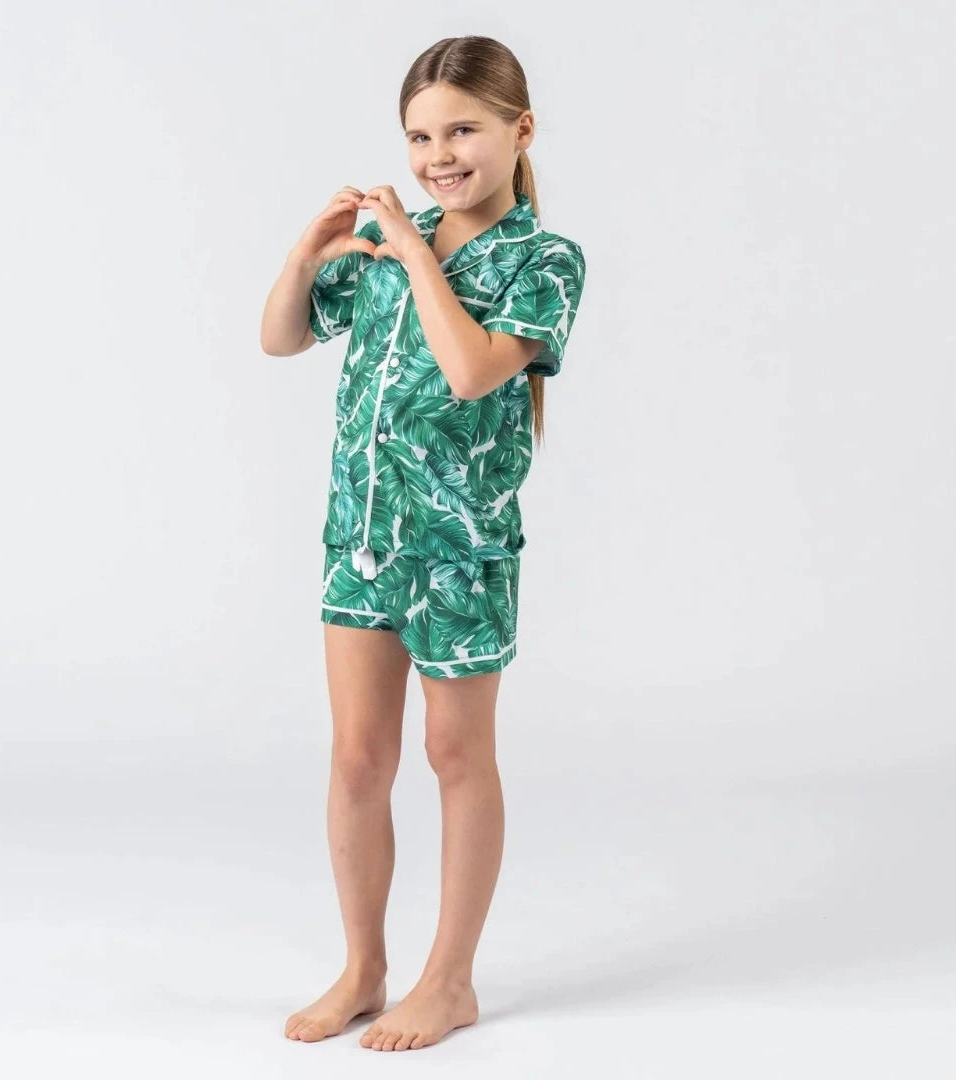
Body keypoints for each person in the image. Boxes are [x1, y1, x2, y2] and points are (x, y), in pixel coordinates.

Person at [259, 34, 587, 1052]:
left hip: (460, 549)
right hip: (361, 540)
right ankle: (364, 967)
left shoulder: (543, 261)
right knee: (358, 758)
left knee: (455, 753)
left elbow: (473, 371)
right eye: (419, 136)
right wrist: (307, 253)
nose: (438, 155)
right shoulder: (393, 242)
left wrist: (412, 254)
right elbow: (281, 337)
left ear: (519, 130)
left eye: (462, 131)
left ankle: (449, 980)